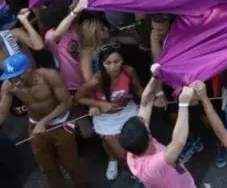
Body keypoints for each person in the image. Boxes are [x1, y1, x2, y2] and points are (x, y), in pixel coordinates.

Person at [0, 52, 88, 188]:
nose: (14, 81)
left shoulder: (49, 76)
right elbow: (2, 112)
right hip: (35, 127)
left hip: (60, 124)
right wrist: (39, 124)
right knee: (47, 169)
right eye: (10, 78)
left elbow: (66, 103)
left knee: (71, 164)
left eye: (18, 76)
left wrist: (43, 122)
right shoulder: (9, 86)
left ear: (29, 70)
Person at [75, 43, 145, 180]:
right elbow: (78, 97)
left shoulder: (129, 71)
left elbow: (138, 88)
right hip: (106, 118)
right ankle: (131, 172)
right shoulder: (96, 80)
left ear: (122, 61)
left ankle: (145, 172)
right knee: (122, 156)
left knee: (139, 146)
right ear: (102, 64)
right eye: (108, 63)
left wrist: (148, 99)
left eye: (116, 62)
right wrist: (99, 104)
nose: (113, 67)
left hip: (127, 110)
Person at [119, 75, 198, 188]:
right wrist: (183, 104)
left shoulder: (134, 144)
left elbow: (145, 104)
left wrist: (154, 76)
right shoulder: (151, 166)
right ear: (149, 138)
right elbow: (178, 143)